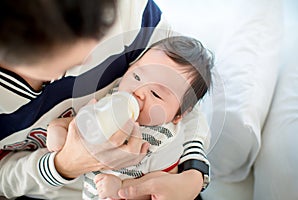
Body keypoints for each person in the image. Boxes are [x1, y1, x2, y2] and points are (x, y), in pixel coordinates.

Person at [0, 0, 210, 199]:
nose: (88, 60)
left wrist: (193, 173)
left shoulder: (129, 10)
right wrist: (64, 164)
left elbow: (183, 84)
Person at [46, 36, 213, 200]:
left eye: (155, 94)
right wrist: (58, 130)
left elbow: (161, 185)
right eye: (137, 77)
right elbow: (79, 122)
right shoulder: (112, 100)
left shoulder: (163, 139)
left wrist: (121, 187)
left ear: (179, 115)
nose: (137, 92)